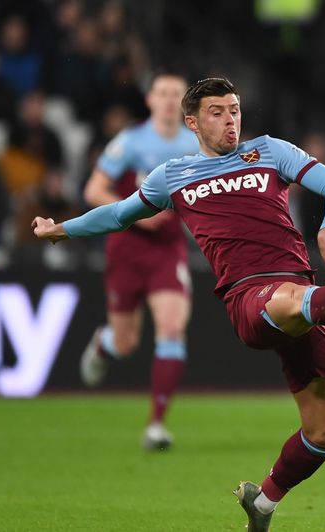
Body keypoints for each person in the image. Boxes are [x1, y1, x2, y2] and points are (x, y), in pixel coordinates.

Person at [32, 77, 325, 532]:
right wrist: (62, 229)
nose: (230, 120)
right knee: (292, 299)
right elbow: (117, 214)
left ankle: (264, 503)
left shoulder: (269, 151)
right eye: (217, 112)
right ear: (192, 121)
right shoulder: (173, 176)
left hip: (306, 299)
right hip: (250, 298)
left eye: (234, 110)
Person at [78, 71, 200, 451]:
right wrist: (136, 211)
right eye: (161, 93)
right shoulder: (131, 142)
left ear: (184, 104)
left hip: (168, 250)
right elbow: (93, 190)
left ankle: (156, 424)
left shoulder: (195, 146)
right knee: (126, 341)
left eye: (175, 94)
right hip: (126, 248)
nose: (167, 100)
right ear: (149, 100)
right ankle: (105, 343)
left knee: (171, 327)